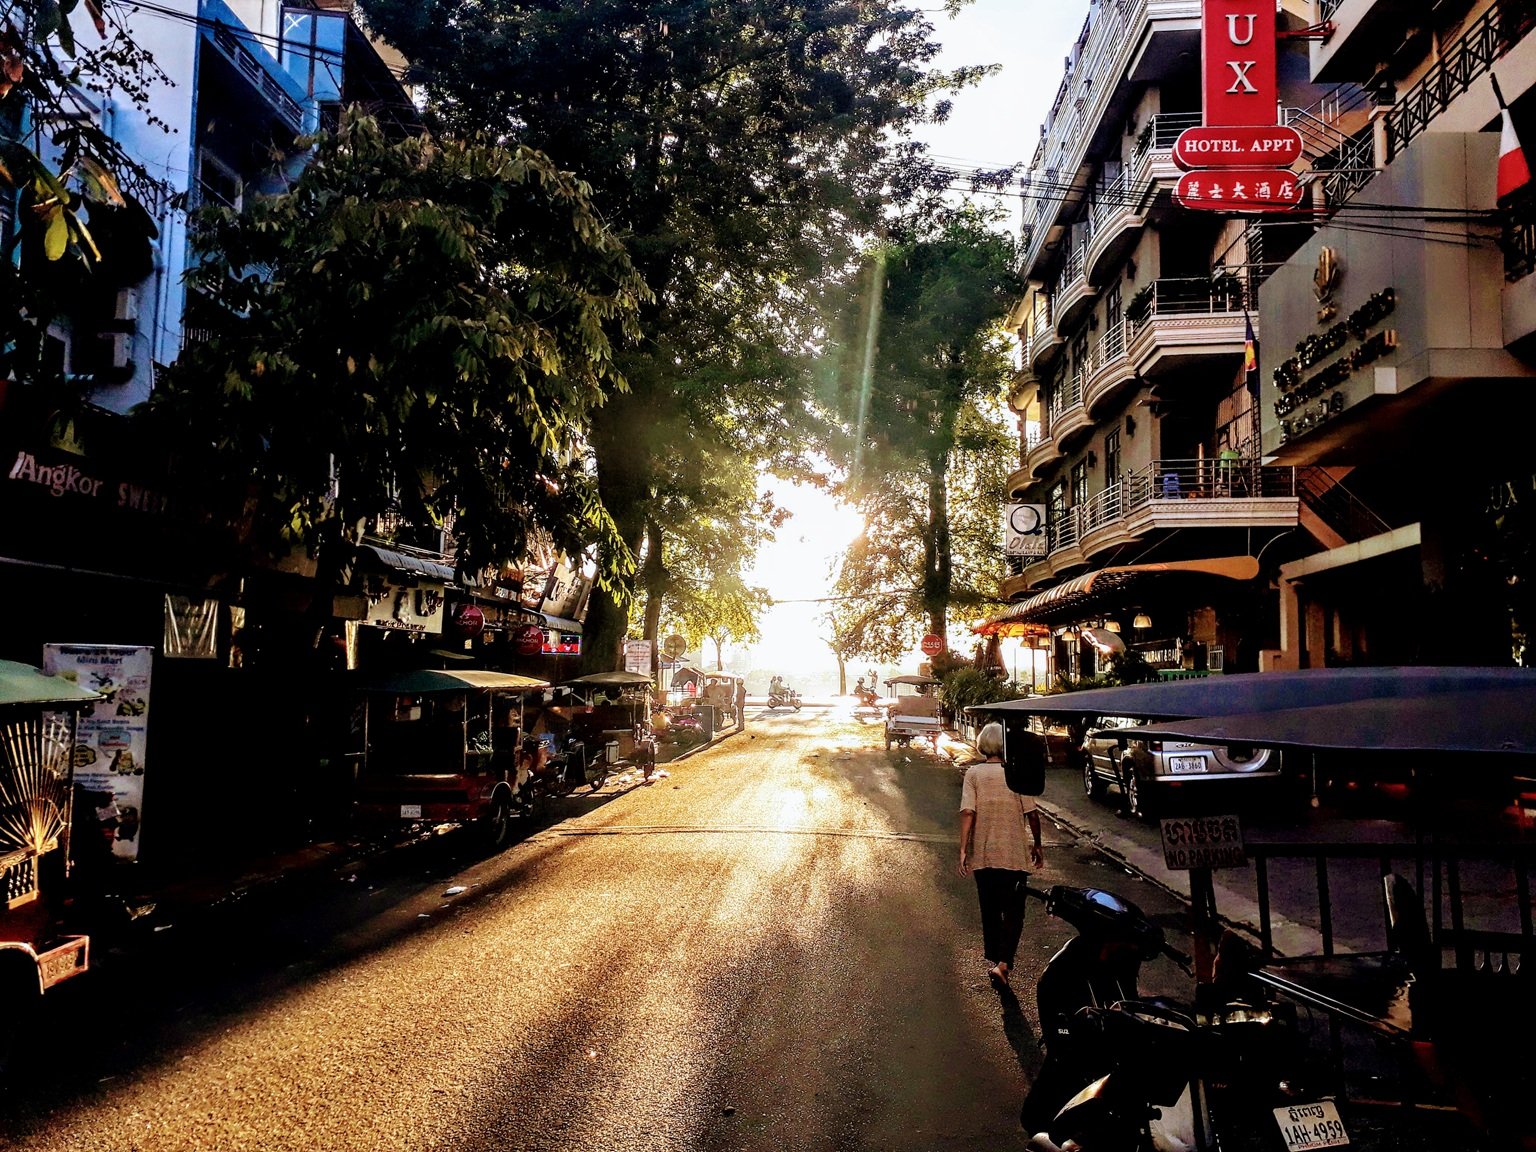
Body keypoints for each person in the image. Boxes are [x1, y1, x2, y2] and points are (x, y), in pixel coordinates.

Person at [958, 721, 1045, 987]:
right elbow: (1032, 814)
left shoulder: (973, 774)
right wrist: (1037, 845)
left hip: (984, 855)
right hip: (1013, 856)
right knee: (1015, 911)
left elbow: (968, 813)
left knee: (991, 910)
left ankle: (998, 960)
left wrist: (963, 850)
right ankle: (1004, 963)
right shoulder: (1015, 773)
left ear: (983, 744)